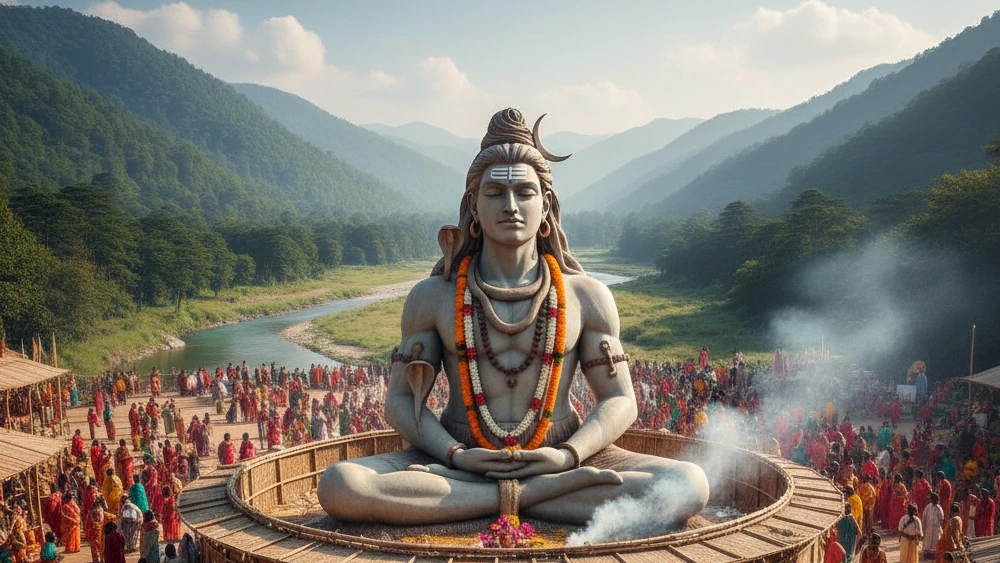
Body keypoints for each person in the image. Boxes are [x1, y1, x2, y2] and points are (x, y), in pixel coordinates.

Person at [315, 108, 710, 527]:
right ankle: (531, 498)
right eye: (494, 193)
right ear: (472, 205)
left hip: (559, 455)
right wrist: (455, 453)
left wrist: (567, 454)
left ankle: (493, 498)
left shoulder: (586, 295)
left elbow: (619, 398)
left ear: (546, 205)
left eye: (524, 192)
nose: (510, 207)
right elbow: (400, 399)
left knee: (689, 483)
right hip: (461, 457)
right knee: (342, 484)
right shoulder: (432, 297)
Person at [923, 492, 945, 557]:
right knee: (928, 539)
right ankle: (927, 552)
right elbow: (924, 515)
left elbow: (941, 518)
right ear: (931, 500)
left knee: (936, 540)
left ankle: (935, 553)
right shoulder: (928, 507)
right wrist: (924, 524)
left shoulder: (939, 508)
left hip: (936, 527)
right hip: (929, 527)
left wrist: (938, 524)